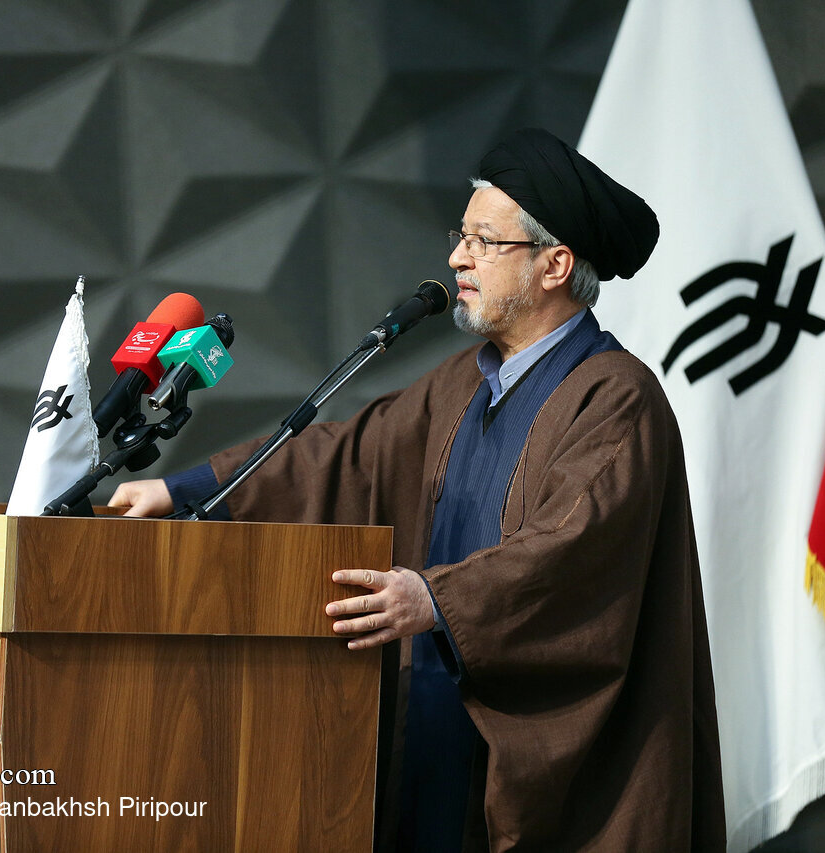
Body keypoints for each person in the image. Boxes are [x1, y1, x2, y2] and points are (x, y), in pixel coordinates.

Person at [110, 128, 725, 852]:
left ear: (555, 265)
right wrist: (184, 490)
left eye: (484, 242)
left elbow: (569, 552)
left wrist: (436, 598)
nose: (458, 258)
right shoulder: (465, 381)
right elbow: (345, 458)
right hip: (434, 739)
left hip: (553, 781)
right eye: (461, 237)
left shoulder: (616, 397)